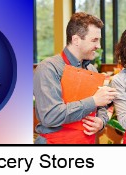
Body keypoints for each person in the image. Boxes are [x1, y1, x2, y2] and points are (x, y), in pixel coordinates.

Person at [33, 12, 117, 144]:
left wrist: (101, 122)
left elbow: (101, 107)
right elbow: (50, 116)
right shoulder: (48, 68)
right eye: (94, 40)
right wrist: (93, 101)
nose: (99, 46)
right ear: (76, 40)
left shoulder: (91, 70)